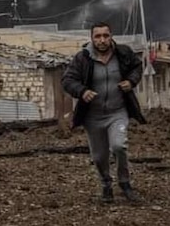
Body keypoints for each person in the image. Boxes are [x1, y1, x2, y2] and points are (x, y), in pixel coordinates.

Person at [62, 21, 146, 204]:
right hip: (93, 116)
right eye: (97, 36)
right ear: (92, 39)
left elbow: (137, 67)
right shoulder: (82, 58)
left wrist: (131, 81)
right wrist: (82, 91)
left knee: (119, 146)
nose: (102, 40)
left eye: (105, 36)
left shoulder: (123, 53)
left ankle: (125, 183)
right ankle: (106, 184)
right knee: (99, 156)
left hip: (118, 111)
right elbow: (67, 80)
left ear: (111, 36)